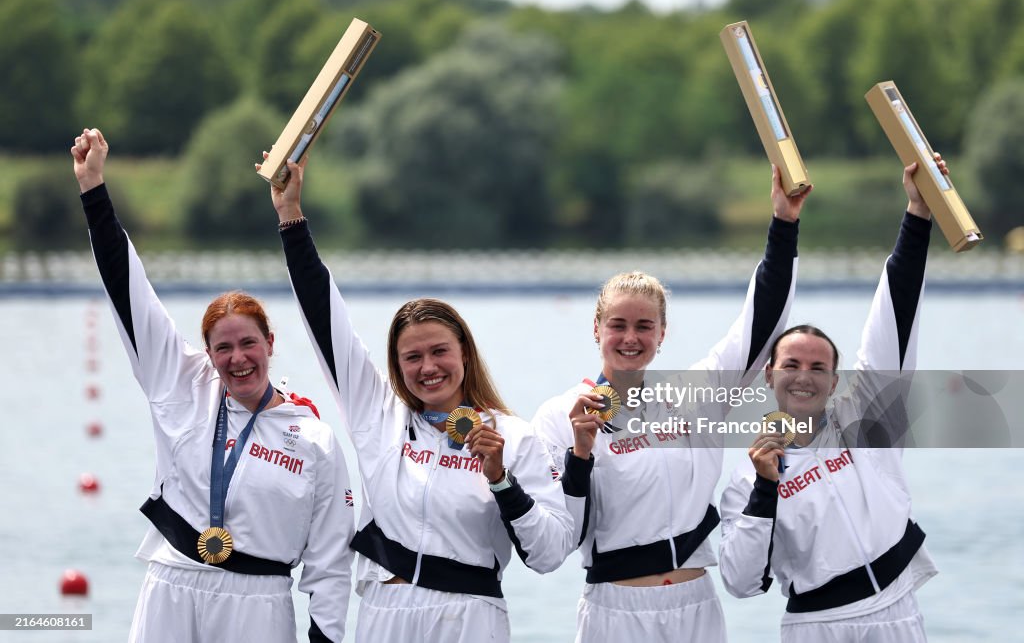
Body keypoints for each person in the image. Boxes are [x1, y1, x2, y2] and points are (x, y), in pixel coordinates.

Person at [264, 155, 574, 643]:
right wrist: (290, 216)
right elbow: (325, 318)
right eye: (413, 357)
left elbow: (550, 554)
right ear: (397, 365)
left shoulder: (512, 437)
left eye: (439, 352)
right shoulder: (377, 413)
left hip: (470, 619)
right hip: (387, 613)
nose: (428, 367)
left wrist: (501, 482)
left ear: (464, 352)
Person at [71, 129, 354, 643]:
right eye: (223, 348)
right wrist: (93, 188)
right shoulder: (182, 382)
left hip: (259, 604)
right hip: (171, 586)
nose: (237, 359)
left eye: (248, 344)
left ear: (270, 343)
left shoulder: (314, 439)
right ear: (207, 354)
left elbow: (331, 561)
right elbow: (129, 291)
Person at [531, 166, 809, 642]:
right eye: (618, 325)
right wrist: (580, 454)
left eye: (645, 326)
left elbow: (760, 323)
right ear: (596, 329)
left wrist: (784, 223)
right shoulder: (560, 416)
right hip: (614, 610)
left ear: (662, 334)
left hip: (695, 606)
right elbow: (558, 539)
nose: (630, 337)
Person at [718, 159, 943, 642]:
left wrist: (918, 212)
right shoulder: (746, 479)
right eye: (792, 365)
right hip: (814, 625)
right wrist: (765, 490)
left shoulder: (867, 420)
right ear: (768, 376)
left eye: (818, 367)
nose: (804, 377)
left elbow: (895, 311)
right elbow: (740, 582)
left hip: (895, 613)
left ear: (836, 381)